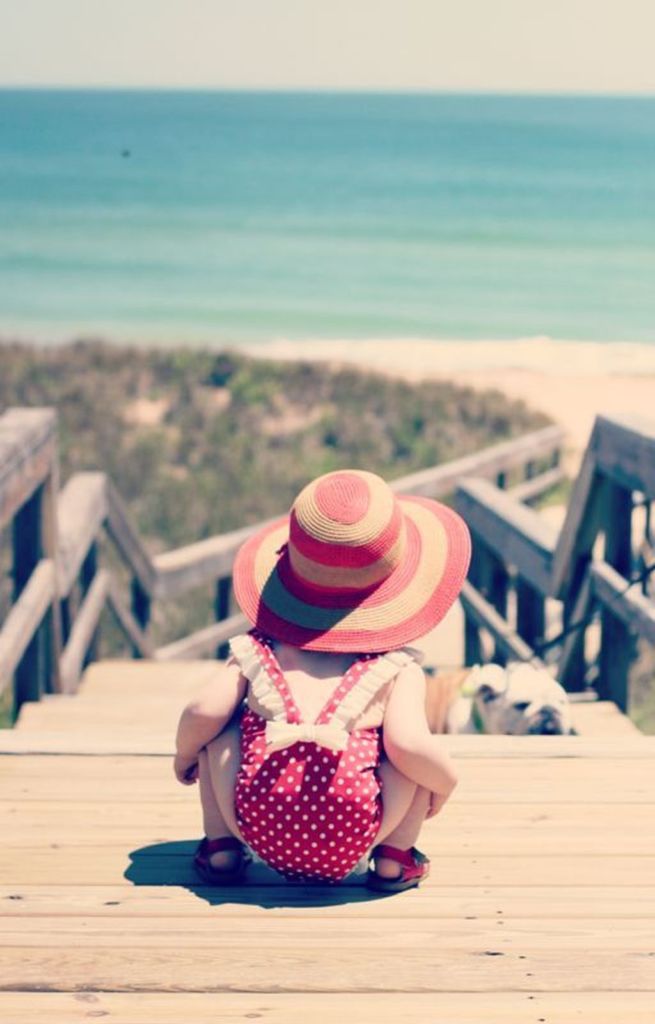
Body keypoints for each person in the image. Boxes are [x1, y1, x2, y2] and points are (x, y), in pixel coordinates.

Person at [174, 469, 471, 891]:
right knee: (413, 763)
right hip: (357, 828)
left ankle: (221, 851)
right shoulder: (396, 668)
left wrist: (184, 755)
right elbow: (408, 746)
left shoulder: (258, 650)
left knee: (218, 734)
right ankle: (394, 859)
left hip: (256, 819)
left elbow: (203, 711)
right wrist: (446, 781)